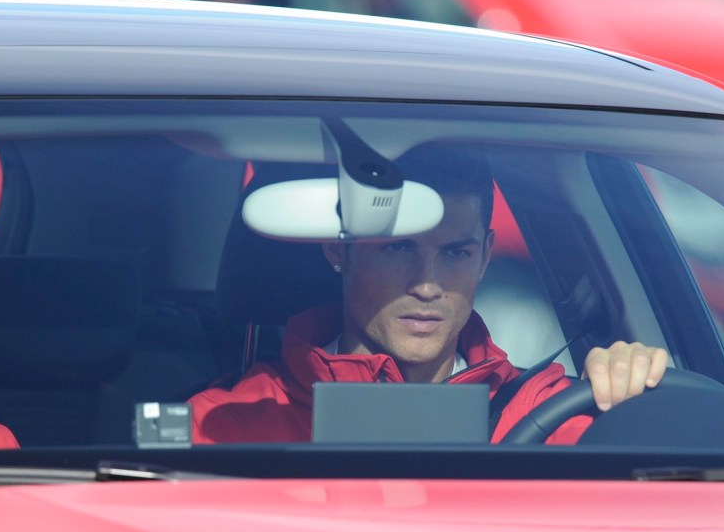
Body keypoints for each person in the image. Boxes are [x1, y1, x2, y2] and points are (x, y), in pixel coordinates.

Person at [190, 143, 668, 445]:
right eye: (399, 248)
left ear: (484, 257)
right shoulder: (229, 426)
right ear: (339, 250)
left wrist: (638, 397)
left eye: (455, 253)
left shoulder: (552, 416)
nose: (426, 284)